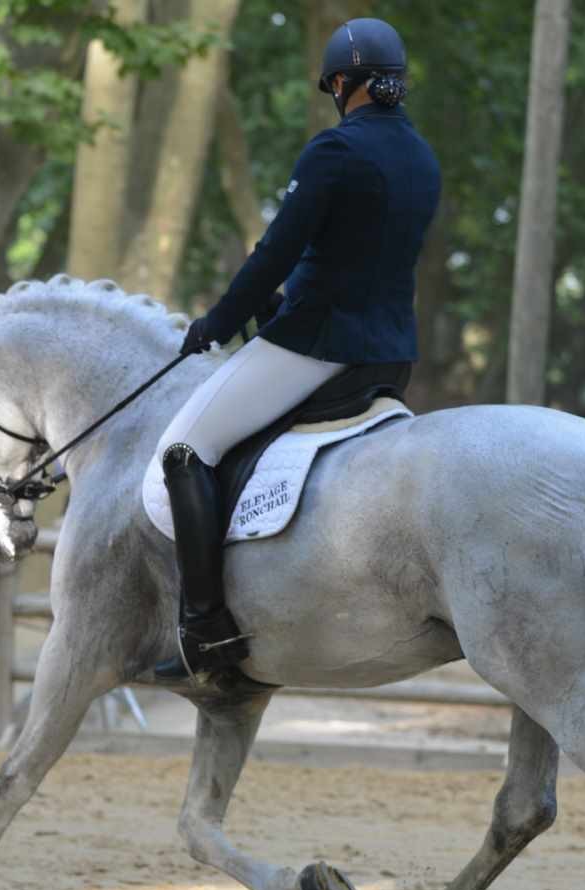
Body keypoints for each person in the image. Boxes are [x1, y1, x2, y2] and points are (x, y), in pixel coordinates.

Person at [152, 17, 441, 687]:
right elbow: (359, 257)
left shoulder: (334, 151)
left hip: (319, 344)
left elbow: (277, 251)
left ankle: (205, 628)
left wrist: (219, 322)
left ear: (341, 83)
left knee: (185, 451)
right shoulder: (421, 157)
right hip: (390, 353)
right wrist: (274, 304)